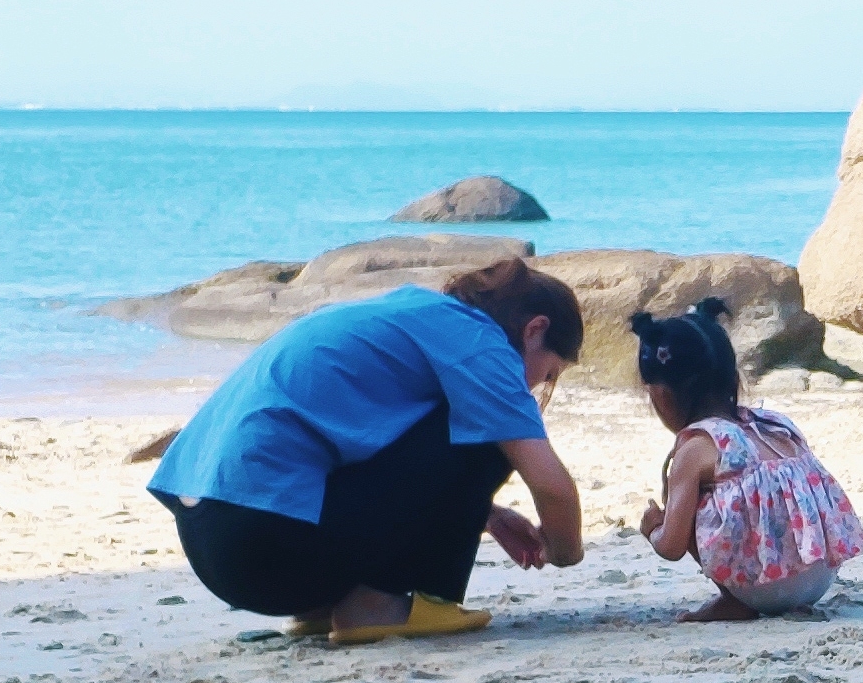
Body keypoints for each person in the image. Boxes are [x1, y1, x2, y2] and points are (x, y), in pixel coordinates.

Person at [148, 258, 585, 645]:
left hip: (214, 545)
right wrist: (565, 552)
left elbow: (371, 450)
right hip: (271, 543)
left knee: (469, 419)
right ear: (535, 330)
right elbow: (551, 486)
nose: (538, 386)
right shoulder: (480, 342)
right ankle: (378, 606)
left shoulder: (407, 314)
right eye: (548, 372)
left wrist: (482, 512)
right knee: (494, 434)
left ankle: (323, 608)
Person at [635, 298, 863, 621]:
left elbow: (671, 547)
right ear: (734, 380)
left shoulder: (695, 448)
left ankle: (733, 599)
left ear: (661, 394)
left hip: (764, 589)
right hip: (821, 574)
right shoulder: (776, 425)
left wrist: (654, 528)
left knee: (689, 498)